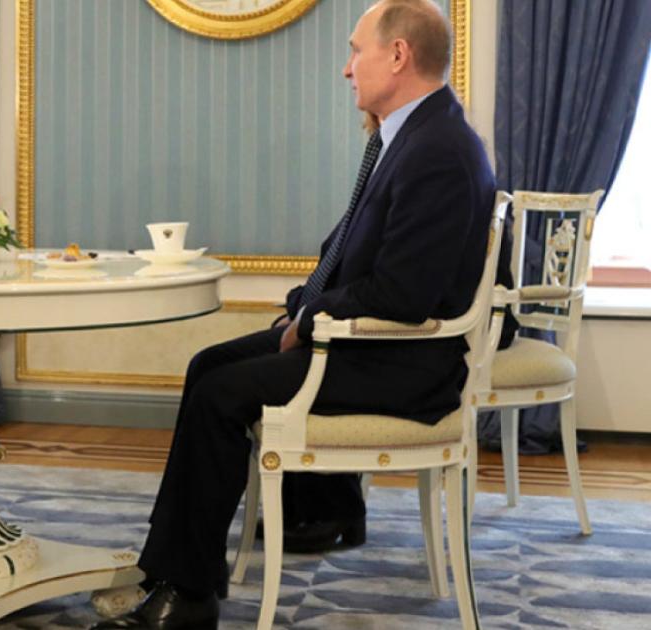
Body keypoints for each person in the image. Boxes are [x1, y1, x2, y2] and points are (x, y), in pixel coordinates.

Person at [93, 1, 496, 628]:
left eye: (356, 50)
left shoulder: (438, 150)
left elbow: (403, 294)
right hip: (370, 344)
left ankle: (188, 597)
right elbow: (355, 251)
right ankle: (181, 558)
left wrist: (311, 319)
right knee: (208, 366)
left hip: (404, 363)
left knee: (221, 394)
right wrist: (304, 308)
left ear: (398, 55)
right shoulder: (415, 134)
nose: (346, 68)